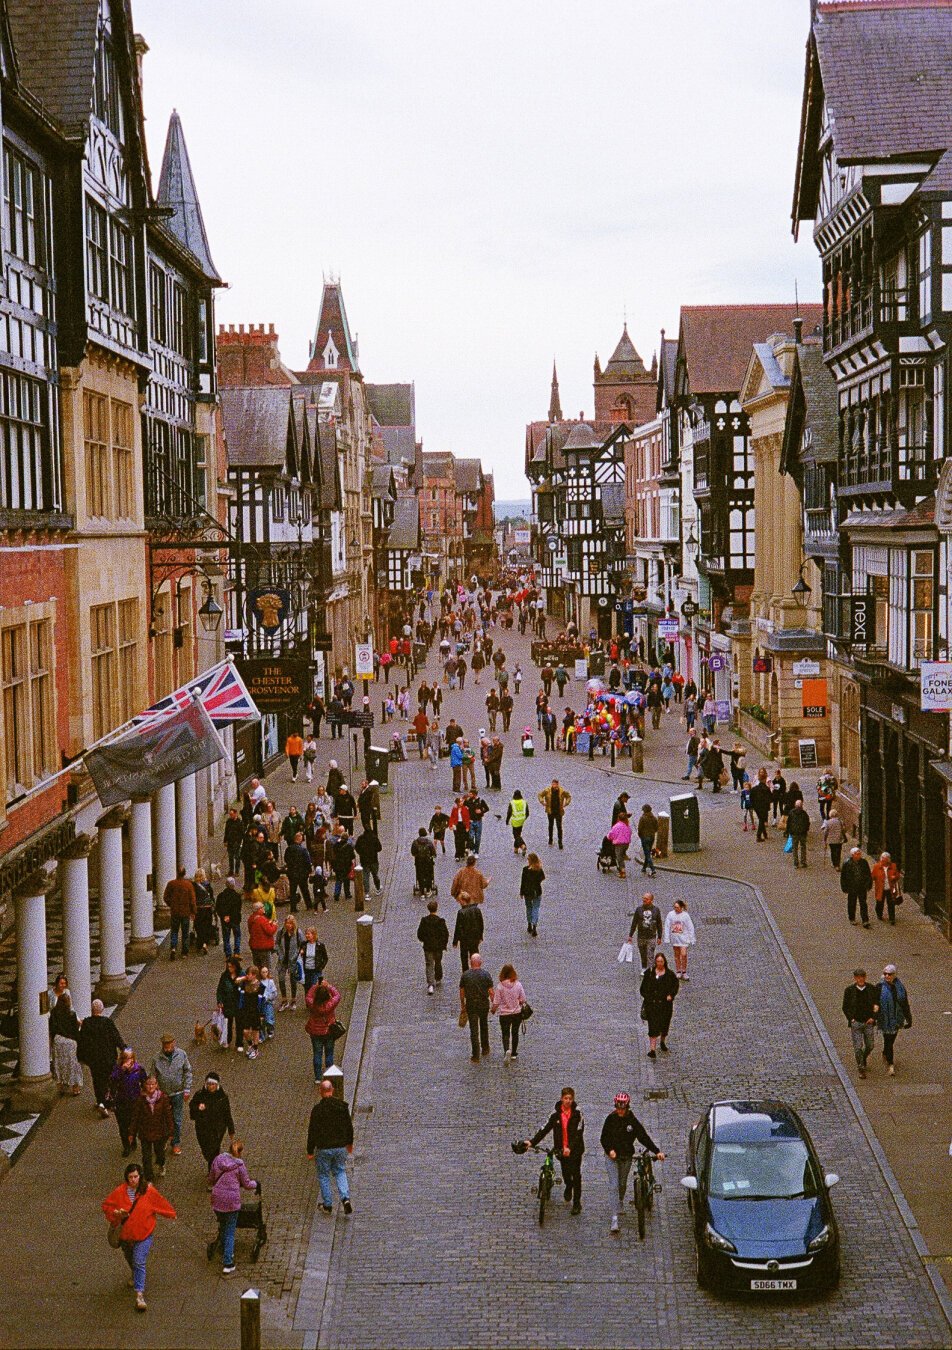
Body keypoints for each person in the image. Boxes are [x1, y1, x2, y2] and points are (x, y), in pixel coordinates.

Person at [102, 1161, 176, 1312]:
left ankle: (139, 1295)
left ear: (140, 1176)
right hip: (126, 1237)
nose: (133, 1180)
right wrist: (116, 1213)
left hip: (143, 1234)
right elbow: (107, 1206)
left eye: (135, 1176)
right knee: (131, 1260)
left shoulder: (148, 1191)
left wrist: (170, 1214)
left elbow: (160, 1203)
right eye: (130, 1177)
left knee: (139, 1261)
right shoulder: (120, 1191)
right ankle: (135, 1275)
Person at [600, 1092, 665, 1234]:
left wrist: (657, 1151)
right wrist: (609, 1150)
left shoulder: (632, 1120)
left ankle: (620, 1201)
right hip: (611, 1157)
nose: (620, 1111)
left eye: (623, 1109)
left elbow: (643, 1136)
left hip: (626, 1156)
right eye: (618, 1108)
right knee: (614, 1185)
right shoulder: (610, 1119)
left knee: (622, 1184)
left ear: (627, 1107)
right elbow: (604, 1138)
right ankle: (614, 1218)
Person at [526, 1087, 585, 1215]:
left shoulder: (578, 1114)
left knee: (576, 1175)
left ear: (573, 1099)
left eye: (570, 1099)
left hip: (575, 1151)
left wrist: (570, 1147)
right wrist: (532, 1142)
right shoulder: (555, 1114)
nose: (568, 1101)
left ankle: (576, 1203)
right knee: (565, 1174)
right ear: (561, 1098)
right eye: (566, 1098)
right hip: (561, 1150)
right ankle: (568, 1186)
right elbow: (545, 1128)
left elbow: (578, 1134)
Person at [207, 1139, 257, 1274]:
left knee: (222, 1224)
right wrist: (256, 1184)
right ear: (240, 1152)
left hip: (217, 1199)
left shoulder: (218, 1160)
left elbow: (211, 1178)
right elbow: (246, 1184)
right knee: (230, 1230)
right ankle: (228, 1262)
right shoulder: (239, 1165)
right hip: (231, 1201)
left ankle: (223, 1247)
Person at [307, 1078, 354, 1215]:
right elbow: (348, 1127)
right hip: (340, 1146)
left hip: (324, 1148)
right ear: (332, 1090)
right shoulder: (342, 1107)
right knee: (340, 1171)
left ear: (320, 1091)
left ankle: (327, 1204)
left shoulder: (317, 1110)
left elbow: (312, 1131)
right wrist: (349, 1143)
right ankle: (345, 1198)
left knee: (323, 1175)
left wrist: (310, 1150)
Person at [77, 999, 124, 1117]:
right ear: (102, 1009)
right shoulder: (107, 1022)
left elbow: (82, 1041)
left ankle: (100, 1101)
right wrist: (124, 1048)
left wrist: (81, 1056)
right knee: (111, 1078)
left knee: (97, 1080)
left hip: (94, 1059)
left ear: (92, 1010)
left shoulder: (87, 1023)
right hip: (108, 1057)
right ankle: (110, 1101)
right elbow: (116, 1037)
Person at [150, 1034, 192, 1156]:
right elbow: (153, 1076)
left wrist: (187, 1089)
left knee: (177, 1119)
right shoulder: (156, 1058)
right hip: (163, 1095)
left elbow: (187, 1071)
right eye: (165, 1046)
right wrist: (154, 1091)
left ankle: (176, 1142)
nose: (167, 1049)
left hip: (178, 1093)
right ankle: (164, 1140)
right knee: (162, 1119)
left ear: (174, 1043)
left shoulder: (182, 1054)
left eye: (169, 1046)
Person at [130, 1075, 174, 1183]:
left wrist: (171, 1130)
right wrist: (132, 1132)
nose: (150, 1087)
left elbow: (168, 1115)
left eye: (153, 1084)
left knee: (159, 1152)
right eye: (148, 1084)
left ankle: (161, 1164)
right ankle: (149, 1177)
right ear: (145, 1086)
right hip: (145, 1131)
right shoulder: (140, 1099)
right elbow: (135, 1117)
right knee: (146, 1156)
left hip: (159, 1131)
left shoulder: (163, 1098)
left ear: (156, 1085)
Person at [190, 1071, 236, 1167]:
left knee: (214, 1150)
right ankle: (213, 1165)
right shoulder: (200, 1095)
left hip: (218, 1129)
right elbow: (192, 1107)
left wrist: (231, 1130)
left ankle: (213, 1170)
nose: (211, 1087)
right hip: (202, 1128)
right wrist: (198, 1107)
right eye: (209, 1084)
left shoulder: (222, 1097)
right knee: (206, 1150)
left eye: (213, 1084)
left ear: (217, 1085)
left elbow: (227, 1113)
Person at [108, 1047, 148, 1155]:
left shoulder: (138, 1069)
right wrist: (122, 1070)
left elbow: (145, 1082)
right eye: (126, 1058)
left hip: (135, 1101)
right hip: (121, 1102)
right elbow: (112, 1081)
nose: (128, 1061)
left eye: (130, 1058)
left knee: (134, 1123)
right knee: (123, 1126)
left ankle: (133, 1139)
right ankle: (126, 1146)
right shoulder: (117, 1069)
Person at [842, 968, 879, 1080]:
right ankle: (861, 1067)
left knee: (870, 1045)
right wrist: (851, 1019)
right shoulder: (849, 990)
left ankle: (863, 1058)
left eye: (862, 977)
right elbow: (845, 1007)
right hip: (856, 1023)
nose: (860, 979)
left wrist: (873, 1018)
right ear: (855, 978)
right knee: (858, 1047)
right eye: (858, 977)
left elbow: (877, 1005)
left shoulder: (871, 989)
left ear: (865, 977)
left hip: (868, 1022)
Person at [640, 952, 679, 1058]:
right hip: (652, 1005)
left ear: (664, 962)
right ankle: (652, 1050)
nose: (659, 963)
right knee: (652, 1027)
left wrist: (671, 995)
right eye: (657, 961)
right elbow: (643, 988)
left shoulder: (670, 975)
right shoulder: (650, 973)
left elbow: (675, 986)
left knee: (664, 1025)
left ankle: (662, 1041)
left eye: (661, 961)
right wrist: (648, 998)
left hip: (665, 1005)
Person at [877, 963, 912, 1076]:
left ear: (894, 975)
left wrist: (909, 1018)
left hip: (897, 1018)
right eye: (885, 974)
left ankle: (885, 1053)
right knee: (888, 1041)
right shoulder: (879, 987)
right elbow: (874, 1002)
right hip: (885, 1018)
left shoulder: (900, 987)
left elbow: (905, 1003)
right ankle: (891, 1064)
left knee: (891, 1040)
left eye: (890, 974)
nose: (887, 976)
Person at [459, 952, 494, 1063]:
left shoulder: (465, 975)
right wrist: (494, 1003)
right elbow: (491, 992)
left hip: (471, 1004)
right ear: (480, 962)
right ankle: (485, 1048)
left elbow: (462, 992)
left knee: (473, 1029)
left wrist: (462, 1005)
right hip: (483, 1003)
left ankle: (475, 1054)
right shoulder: (486, 974)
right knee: (484, 1025)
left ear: (471, 962)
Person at [305, 980, 341, 1082]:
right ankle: (329, 1075)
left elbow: (308, 996)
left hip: (315, 1032)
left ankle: (318, 1077)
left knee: (317, 1053)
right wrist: (328, 986)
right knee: (329, 1053)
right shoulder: (330, 1004)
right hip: (328, 1031)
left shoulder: (313, 1004)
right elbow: (337, 995)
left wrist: (315, 986)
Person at [49, 989, 83, 1095]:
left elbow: (52, 1027)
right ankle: (75, 1088)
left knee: (59, 1064)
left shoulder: (54, 1012)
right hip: (70, 1041)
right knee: (73, 1064)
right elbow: (74, 1029)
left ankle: (60, 1085)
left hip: (58, 1040)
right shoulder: (71, 1014)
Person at [492, 963, 527, 1061]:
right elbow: (523, 999)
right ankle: (514, 1053)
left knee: (505, 1033)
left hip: (504, 1014)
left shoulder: (500, 986)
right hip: (516, 1013)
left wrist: (493, 1010)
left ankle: (506, 1050)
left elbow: (496, 1002)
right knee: (515, 1033)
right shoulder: (518, 984)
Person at [417, 899, 449, 994]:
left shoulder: (424, 921)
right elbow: (445, 934)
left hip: (428, 947)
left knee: (429, 964)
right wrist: (443, 944)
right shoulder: (440, 921)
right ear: (436, 909)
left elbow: (420, 934)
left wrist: (424, 940)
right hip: (438, 947)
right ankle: (438, 977)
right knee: (438, 962)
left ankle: (430, 984)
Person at [164, 866, 196, 960]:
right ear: (184, 874)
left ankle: (173, 948)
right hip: (185, 912)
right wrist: (193, 911)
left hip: (175, 912)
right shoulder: (188, 885)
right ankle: (184, 952)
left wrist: (171, 905)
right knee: (185, 933)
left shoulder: (171, 884)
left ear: (177, 873)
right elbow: (192, 900)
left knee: (174, 931)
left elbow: (165, 897)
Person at [628, 893, 664, 972]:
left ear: (651, 900)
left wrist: (660, 936)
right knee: (642, 953)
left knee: (650, 954)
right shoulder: (639, 909)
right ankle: (644, 967)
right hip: (641, 936)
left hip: (652, 936)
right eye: (643, 898)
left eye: (646, 899)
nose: (644, 900)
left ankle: (650, 969)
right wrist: (630, 935)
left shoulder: (656, 910)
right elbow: (634, 923)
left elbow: (659, 924)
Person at [276, 915, 305, 1011]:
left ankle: (293, 1000)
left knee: (293, 980)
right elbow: (277, 943)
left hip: (293, 959)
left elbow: (302, 945)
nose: (288, 925)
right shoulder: (281, 932)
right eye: (287, 923)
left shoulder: (298, 933)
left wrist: (298, 953)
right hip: (283, 959)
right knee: (281, 979)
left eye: (290, 924)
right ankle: (284, 1000)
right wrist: (279, 953)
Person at [840, 847, 873, 927]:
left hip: (861, 886)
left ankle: (865, 920)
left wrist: (868, 884)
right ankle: (852, 918)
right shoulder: (847, 863)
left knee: (863, 903)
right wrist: (844, 887)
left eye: (859, 854)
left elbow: (868, 874)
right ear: (853, 855)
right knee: (852, 903)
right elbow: (843, 876)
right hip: (852, 886)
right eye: (857, 854)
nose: (859, 855)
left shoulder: (864, 862)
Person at [663, 900, 696, 980]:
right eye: (675, 907)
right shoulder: (670, 914)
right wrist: (667, 937)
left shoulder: (685, 915)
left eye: (677, 907)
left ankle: (684, 971)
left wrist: (692, 938)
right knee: (677, 955)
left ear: (681, 907)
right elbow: (667, 926)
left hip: (684, 939)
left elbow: (690, 927)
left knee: (683, 954)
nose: (676, 909)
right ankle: (678, 971)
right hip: (675, 938)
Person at [216, 958, 243, 1051]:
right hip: (227, 1003)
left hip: (239, 1003)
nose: (229, 968)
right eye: (228, 966)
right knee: (227, 1023)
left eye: (231, 966)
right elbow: (219, 989)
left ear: (236, 966)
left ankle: (239, 1043)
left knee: (239, 1024)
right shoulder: (224, 976)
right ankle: (227, 1040)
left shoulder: (241, 974)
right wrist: (219, 1001)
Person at [285, 831, 313, 914]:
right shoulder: (303, 850)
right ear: (299, 839)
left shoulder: (289, 849)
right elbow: (307, 861)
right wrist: (310, 870)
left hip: (292, 872)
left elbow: (286, 859)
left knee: (293, 890)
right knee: (304, 889)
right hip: (302, 873)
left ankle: (293, 907)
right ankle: (309, 905)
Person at [538, 780, 571, 849]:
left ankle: (560, 842)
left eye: (555, 784)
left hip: (559, 811)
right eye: (553, 784)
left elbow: (568, 796)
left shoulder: (562, 791)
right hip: (550, 811)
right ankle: (550, 839)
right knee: (550, 825)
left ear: (558, 785)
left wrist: (566, 803)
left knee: (559, 827)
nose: (554, 786)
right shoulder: (547, 790)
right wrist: (542, 802)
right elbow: (540, 795)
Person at [453, 899, 484, 972]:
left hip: (464, 939)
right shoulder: (477, 910)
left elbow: (458, 927)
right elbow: (481, 924)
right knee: (474, 954)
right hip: (475, 937)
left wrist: (455, 941)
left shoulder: (461, 912)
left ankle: (466, 972)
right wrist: (480, 936)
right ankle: (476, 970)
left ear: (463, 901)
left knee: (464, 957)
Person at [215, 877, 243, 959]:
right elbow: (238, 908)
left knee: (226, 937)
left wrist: (223, 916)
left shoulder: (221, 896)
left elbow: (218, 908)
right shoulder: (237, 896)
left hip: (225, 920)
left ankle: (228, 954)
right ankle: (236, 952)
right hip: (235, 919)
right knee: (237, 935)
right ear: (233, 885)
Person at [872, 852, 902, 924]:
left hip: (890, 889)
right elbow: (873, 876)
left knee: (891, 904)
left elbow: (897, 875)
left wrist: (894, 877)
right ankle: (879, 914)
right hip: (880, 889)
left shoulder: (893, 866)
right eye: (883, 860)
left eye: (886, 860)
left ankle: (892, 918)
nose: (884, 862)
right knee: (879, 903)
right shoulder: (877, 866)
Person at [520, 853, 545, 936]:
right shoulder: (538, 869)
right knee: (536, 908)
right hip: (537, 892)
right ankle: (534, 926)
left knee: (529, 908)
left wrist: (521, 892)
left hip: (527, 892)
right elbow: (542, 878)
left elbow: (523, 882)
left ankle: (529, 924)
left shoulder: (525, 869)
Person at [247, 900, 277, 969]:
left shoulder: (251, 918)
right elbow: (270, 931)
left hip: (254, 947)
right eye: (262, 907)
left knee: (258, 967)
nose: (264, 909)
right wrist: (274, 925)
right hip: (264, 947)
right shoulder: (262, 919)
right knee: (266, 968)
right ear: (258, 909)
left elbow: (251, 930)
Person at [193, 868, 216, 954]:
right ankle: (205, 943)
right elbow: (212, 895)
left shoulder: (194, 886)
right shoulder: (207, 884)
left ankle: (200, 943)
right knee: (207, 925)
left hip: (198, 908)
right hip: (207, 908)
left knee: (198, 926)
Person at [300, 926, 329, 995]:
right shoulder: (304, 944)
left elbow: (325, 958)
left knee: (316, 988)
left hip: (316, 971)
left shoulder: (320, 945)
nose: (307, 936)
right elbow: (299, 957)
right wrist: (300, 953)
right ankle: (308, 1003)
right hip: (306, 970)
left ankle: (316, 1003)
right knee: (307, 988)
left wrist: (321, 967)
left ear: (313, 935)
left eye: (308, 934)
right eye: (306, 934)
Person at [355, 826, 383, 894]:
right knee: (375, 875)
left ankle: (367, 892)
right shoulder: (374, 838)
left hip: (364, 860)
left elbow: (356, 847)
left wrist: (361, 853)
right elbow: (379, 848)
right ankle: (378, 888)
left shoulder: (360, 838)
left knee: (366, 876)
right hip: (373, 860)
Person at [786, 798, 811, 868]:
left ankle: (796, 863)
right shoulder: (804, 813)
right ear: (801, 805)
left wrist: (788, 831)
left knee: (795, 848)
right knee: (803, 847)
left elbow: (788, 823)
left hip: (794, 833)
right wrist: (806, 830)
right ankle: (803, 862)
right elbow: (807, 823)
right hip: (802, 833)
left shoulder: (791, 813)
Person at [607, 813, 631, 879]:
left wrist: (609, 838)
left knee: (619, 858)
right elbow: (630, 833)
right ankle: (622, 867)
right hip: (626, 844)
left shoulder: (616, 826)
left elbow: (611, 835)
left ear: (618, 818)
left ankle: (622, 872)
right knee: (621, 856)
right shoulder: (627, 825)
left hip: (619, 844)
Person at [224, 808, 244, 877]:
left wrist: (239, 842)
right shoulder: (228, 821)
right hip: (230, 842)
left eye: (232, 814)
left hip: (237, 843)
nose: (231, 816)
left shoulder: (240, 822)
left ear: (235, 814)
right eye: (230, 814)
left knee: (237, 857)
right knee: (230, 857)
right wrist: (225, 841)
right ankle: (231, 871)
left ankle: (237, 871)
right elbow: (226, 832)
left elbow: (242, 834)